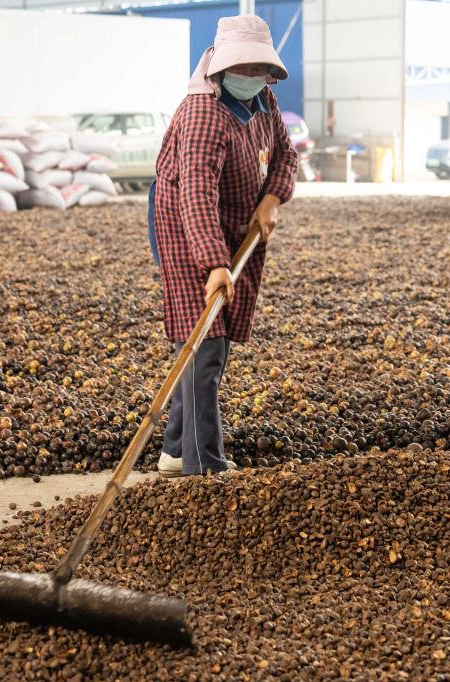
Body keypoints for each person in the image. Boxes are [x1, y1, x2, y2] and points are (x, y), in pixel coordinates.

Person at [147, 14, 298, 477]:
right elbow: (195, 195)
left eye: (261, 70)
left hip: (234, 217)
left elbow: (286, 155)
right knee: (204, 341)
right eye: (245, 69)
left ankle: (175, 449)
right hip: (183, 222)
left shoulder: (263, 99)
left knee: (209, 338)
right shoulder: (202, 114)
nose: (253, 78)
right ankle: (204, 464)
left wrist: (272, 197)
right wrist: (214, 264)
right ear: (219, 66)